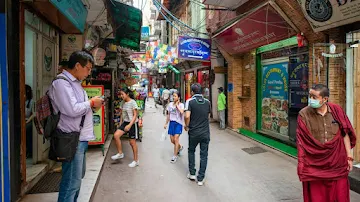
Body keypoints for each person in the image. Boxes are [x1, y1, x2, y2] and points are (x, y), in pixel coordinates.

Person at [49, 51, 104, 202]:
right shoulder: (61, 83)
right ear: (78, 65)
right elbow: (72, 109)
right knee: (71, 183)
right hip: (71, 139)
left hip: (79, 139)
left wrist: (92, 107)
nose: (89, 72)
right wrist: (91, 103)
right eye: (88, 68)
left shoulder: (75, 83)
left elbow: (79, 108)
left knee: (76, 181)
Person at [297, 84, 356, 202]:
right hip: (315, 165)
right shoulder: (304, 114)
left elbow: (344, 134)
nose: (311, 100)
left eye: (314, 97)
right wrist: (302, 164)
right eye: (310, 96)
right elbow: (302, 143)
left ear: (325, 99)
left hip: (337, 164)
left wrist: (349, 156)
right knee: (317, 197)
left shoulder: (336, 110)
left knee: (340, 196)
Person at [184, 83, 211, 186]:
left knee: (191, 151)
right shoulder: (207, 102)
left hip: (194, 132)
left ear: (192, 92)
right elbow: (208, 116)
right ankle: (200, 178)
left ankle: (192, 173)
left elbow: (187, 116)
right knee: (204, 155)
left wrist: (187, 126)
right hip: (205, 133)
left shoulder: (189, 101)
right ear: (201, 92)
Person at [111, 88, 140, 168]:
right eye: (120, 94)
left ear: (127, 94)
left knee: (132, 142)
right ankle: (120, 153)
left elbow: (135, 115)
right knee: (116, 135)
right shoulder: (122, 103)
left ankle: (136, 160)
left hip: (133, 123)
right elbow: (122, 114)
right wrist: (120, 124)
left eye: (122, 94)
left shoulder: (133, 102)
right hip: (125, 122)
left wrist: (130, 125)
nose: (121, 96)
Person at [164, 91, 184, 163]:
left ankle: (174, 156)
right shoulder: (170, 105)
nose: (174, 97)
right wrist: (166, 123)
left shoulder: (181, 105)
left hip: (178, 123)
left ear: (178, 97)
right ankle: (180, 147)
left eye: (175, 96)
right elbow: (168, 114)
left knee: (176, 139)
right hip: (171, 123)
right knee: (172, 140)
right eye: (173, 96)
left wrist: (177, 105)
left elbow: (182, 112)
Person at [25, 84, 35, 158]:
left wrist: (28, 121)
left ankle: (29, 151)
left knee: (27, 129)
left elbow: (33, 113)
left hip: (28, 120)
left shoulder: (31, 102)